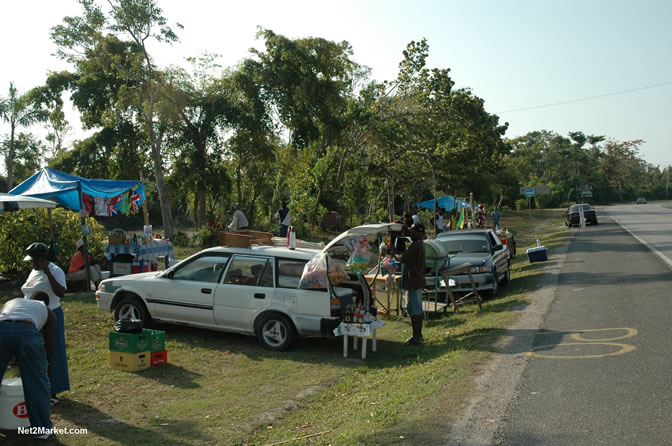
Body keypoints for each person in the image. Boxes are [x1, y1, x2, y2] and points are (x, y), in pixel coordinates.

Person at [0, 296, 58, 438]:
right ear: (46, 303)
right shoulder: (48, 312)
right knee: (36, 384)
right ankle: (42, 430)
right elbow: (49, 348)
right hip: (27, 331)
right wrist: (46, 377)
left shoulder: (12, 301)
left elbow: (9, 329)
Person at [21, 242, 69, 405]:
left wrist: (48, 272)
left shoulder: (55, 271)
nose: (33, 264)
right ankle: (38, 388)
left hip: (50, 315)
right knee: (36, 352)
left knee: (52, 351)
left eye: (35, 261)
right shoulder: (34, 271)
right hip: (33, 316)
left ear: (43, 259)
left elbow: (61, 292)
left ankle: (53, 390)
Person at [398, 223, 426, 345]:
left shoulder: (415, 245)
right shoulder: (420, 244)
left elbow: (403, 259)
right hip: (417, 280)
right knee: (418, 309)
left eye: (413, 231)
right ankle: (419, 335)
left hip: (413, 281)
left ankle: (416, 338)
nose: (411, 233)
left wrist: (392, 252)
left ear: (419, 232)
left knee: (413, 309)